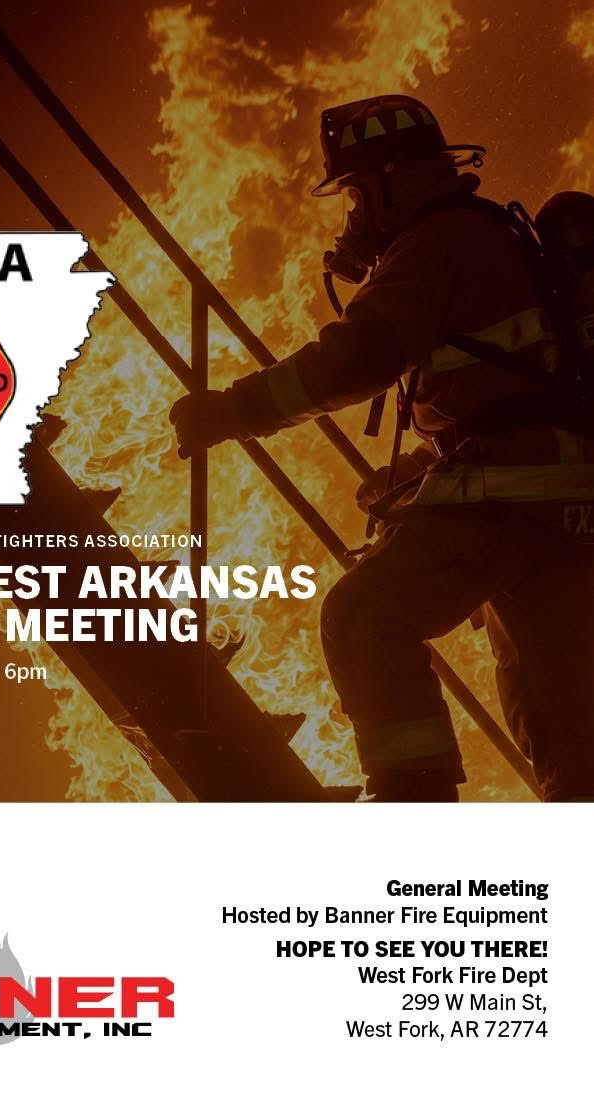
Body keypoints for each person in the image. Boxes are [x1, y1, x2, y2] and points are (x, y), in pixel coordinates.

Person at [170, 95, 594, 802]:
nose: (354, 216)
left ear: (396, 179)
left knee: (368, 617)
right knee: (569, 734)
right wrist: (423, 473)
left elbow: (354, 360)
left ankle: (412, 806)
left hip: (518, 495)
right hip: (561, 496)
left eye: (359, 195)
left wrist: (232, 410)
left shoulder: (439, 241)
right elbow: (502, 394)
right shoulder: (485, 236)